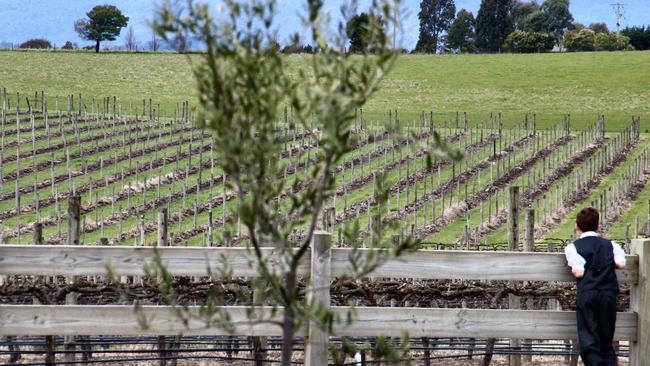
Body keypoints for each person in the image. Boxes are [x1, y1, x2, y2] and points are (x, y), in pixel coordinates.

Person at [564, 207, 626, 366]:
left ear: (577, 227)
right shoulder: (611, 245)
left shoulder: (573, 247)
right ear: (598, 226)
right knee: (606, 340)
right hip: (608, 294)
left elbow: (578, 272)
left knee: (589, 341)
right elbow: (620, 263)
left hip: (588, 293)